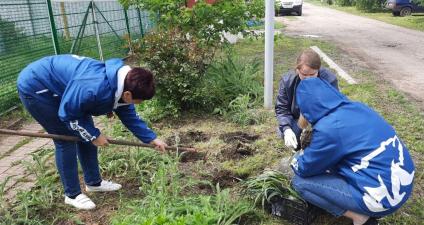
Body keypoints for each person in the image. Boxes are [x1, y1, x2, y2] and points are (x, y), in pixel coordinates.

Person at [17, 54, 168, 210]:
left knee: (86, 133)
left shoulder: (123, 83)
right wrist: (94, 135)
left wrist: (152, 138)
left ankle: (93, 183)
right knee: (67, 139)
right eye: (140, 101)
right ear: (128, 94)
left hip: (69, 89)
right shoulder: (93, 89)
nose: (140, 103)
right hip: (37, 86)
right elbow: (68, 115)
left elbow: (128, 115)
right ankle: (72, 195)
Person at [290, 78, 415, 225]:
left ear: (306, 106)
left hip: (383, 198)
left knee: (299, 182)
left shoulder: (328, 128)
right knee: (331, 162)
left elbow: (305, 168)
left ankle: (360, 217)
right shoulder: (357, 107)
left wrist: (296, 158)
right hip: (404, 183)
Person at [275, 49, 338, 150]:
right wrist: (286, 129)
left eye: (312, 75)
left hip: (322, 119)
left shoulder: (329, 80)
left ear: (318, 70)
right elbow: (282, 109)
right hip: (297, 119)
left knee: (322, 142)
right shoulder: (287, 81)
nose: (308, 79)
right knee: (295, 138)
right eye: (304, 74)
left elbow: (334, 108)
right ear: (297, 70)